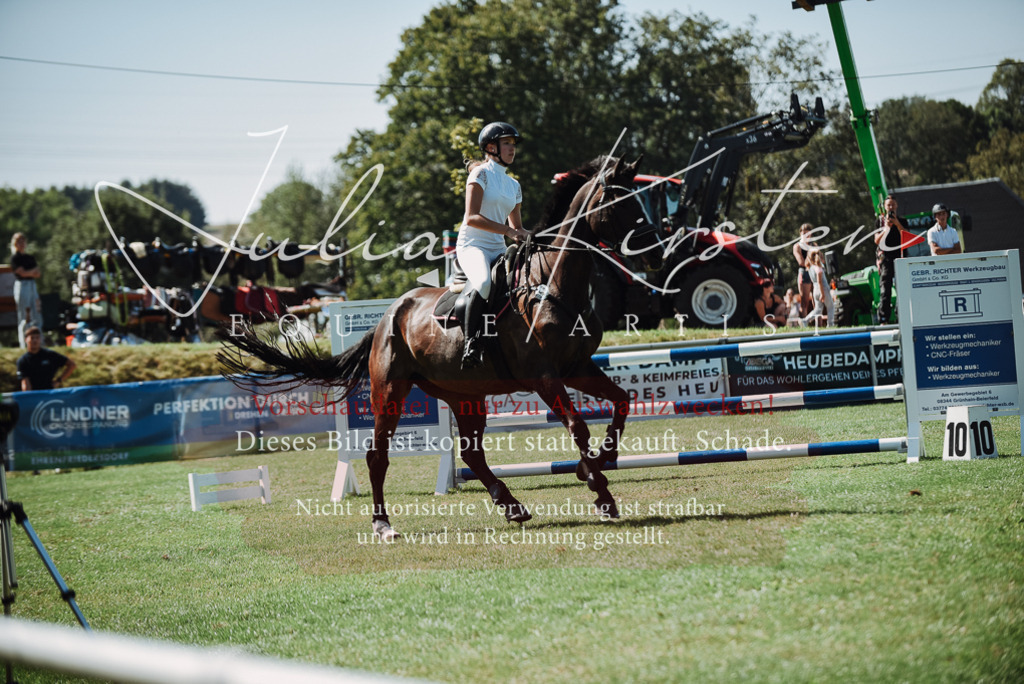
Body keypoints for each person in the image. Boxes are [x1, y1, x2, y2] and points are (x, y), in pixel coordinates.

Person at [456, 121, 530, 367]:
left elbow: (517, 229)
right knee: (485, 283)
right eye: (507, 143)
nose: (512, 149)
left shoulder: (514, 185)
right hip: (472, 246)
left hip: (498, 248)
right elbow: (472, 217)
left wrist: (541, 236)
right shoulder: (481, 174)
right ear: (490, 147)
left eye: (513, 144)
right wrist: (509, 231)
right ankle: (471, 344)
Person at [873, 195, 906, 325]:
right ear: (885, 207)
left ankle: (901, 318)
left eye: (893, 205)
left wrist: (897, 224)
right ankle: (884, 319)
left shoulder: (903, 220)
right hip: (886, 259)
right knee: (885, 290)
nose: (891, 207)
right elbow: (876, 240)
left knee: (901, 289)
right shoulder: (880, 222)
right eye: (888, 205)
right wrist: (886, 228)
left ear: (896, 205)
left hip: (901, 257)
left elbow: (907, 236)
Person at [17, 326, 75, 391]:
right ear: (26, 340)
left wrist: (58, 381)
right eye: (32, 338)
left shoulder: (50, 355)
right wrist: (29, 397)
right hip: (33, 394)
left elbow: (71, 365)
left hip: (49, 393)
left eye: (37, 338)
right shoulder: (23, 360)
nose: (35, 340)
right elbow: (25, 383)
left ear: (41, 339)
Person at [11, 232, 42, 348]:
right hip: (22, 285)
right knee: (24, 315)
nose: (22, 244)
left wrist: (29, 273)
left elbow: (38, 273)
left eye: (23, 241)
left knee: (36, 313)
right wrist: (30, 272)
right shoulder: (15, 258)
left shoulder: (30, 258)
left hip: (32, 285)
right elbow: (20, 273)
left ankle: (38, 342)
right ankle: (24, 343)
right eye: (19, 242)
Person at [802, 249, 834, 327]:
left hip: (815, 290)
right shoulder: (818, 268)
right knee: (831, 306)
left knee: (818, 309)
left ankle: (805, 320)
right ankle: (830, 324)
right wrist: (822, 293)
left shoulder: (810, 268)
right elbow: (820, 282)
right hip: (822, 288)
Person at [793, 223, 816, 317]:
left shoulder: (814, 245)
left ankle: (817, 322)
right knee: (804, 301)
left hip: (814, 272)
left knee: (816, 299)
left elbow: (820, 259)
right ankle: (804, 323)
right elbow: (801, 262)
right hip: (805, 273)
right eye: (804, 234)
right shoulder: (797, 246)